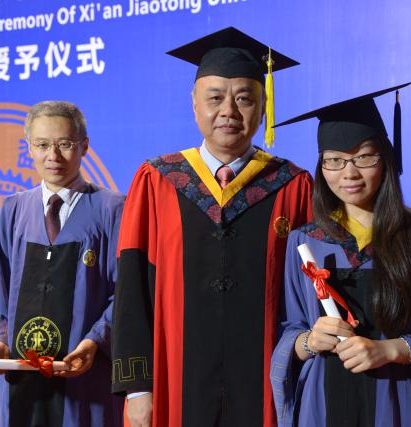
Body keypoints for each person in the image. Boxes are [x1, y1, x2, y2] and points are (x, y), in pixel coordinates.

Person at [111, 27, 313, 427]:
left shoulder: (293, 185)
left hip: (266, 383)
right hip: (176, 380)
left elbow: (306, 295)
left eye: (244, 98)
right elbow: (132, 288)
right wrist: (137, 387)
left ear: (263, 106)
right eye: (215, 98)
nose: (229, 111)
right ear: (194, 104)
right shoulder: (157, 180)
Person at [270, 84, 411, 426]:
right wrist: (308, 341)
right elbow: (287, 329)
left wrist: (391, 349)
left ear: (386, 159)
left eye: (364, 157)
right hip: (323, 408)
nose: (349, 173)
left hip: (398, 405)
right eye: (334, 160)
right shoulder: (304, 243)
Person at [0, 101, 125, 426]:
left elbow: (126, 292)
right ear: (29, 148)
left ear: (84, 146)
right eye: (42, 145)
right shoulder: (13, 210)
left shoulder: (111, 209)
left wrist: (96, 339)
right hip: (21, 376)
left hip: (85, 375)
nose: (53, 156)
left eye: (64, 144)